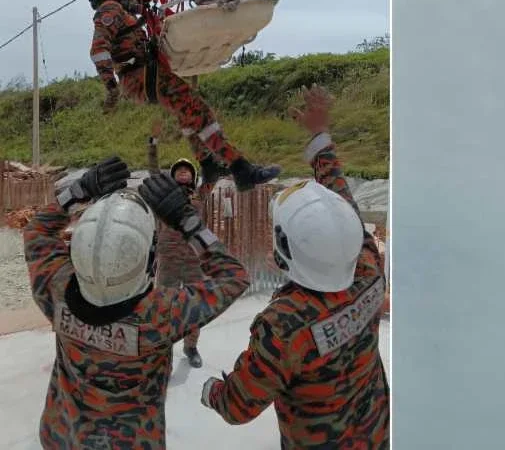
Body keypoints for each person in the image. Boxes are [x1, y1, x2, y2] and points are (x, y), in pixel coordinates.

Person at [200, 84, 389, 449]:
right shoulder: (367, 267)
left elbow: (238, 406)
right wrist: (320, 139)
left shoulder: (284, 325)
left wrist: (211, 392)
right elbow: (344, 206)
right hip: (376, 435)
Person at [22, 156, 249, 448]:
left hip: (61, 435)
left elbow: (36, 231)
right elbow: (234, 277)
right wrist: (188, 222)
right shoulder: (161, 314)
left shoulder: (56, 289)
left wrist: (77, 192)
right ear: (148, 259)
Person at [88, 0, 280, 192]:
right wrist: (110, 88)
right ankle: (241, 169)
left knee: (190, 115)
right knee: (198, 111)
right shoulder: (109, 10)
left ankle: (210, 163)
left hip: (146, 76)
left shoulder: (125, 6)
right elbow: (98, 50)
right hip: (141, 76)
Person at [147, 118, 225, 368]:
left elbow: (211, 171)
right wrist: (153, 141)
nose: (183, 172)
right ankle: (162, 349)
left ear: (192, 177)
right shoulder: (164, 196)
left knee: (194, 306)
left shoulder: (200, 195)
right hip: (168, 262)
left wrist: (206, 139)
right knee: (163, 307)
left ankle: (191, 347)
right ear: (173, 176)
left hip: (193, 261)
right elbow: (152, 171)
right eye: (178, 170)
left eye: (187, 170)